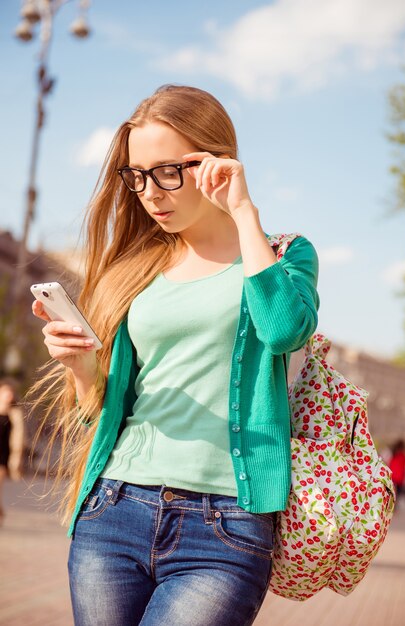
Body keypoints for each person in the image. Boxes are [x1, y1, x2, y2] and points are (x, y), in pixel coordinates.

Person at [29, 84, 320, 626]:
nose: (150, 192)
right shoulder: (134, 268)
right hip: (114, 510)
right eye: (137, 176)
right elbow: (98, 409)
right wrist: (81, 368)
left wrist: (242, 212)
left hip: (227, 526)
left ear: (217, 161)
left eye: (167, 171)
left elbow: (284, 331)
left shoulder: (282, 253)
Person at [0, 377, 25, 525]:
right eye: (5, 392)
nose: (8, 396)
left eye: (10, 393)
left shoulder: (15, 414)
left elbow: (19, 437)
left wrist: (17, 457)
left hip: (3, 455)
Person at [389, 438, 405, 510]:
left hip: (393, 475)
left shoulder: (394, 453)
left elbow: (390, 463)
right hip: (399, 477)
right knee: (398, 492)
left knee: (395, 491)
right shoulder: (403, 455)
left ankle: (393, 505)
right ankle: (395, 504)